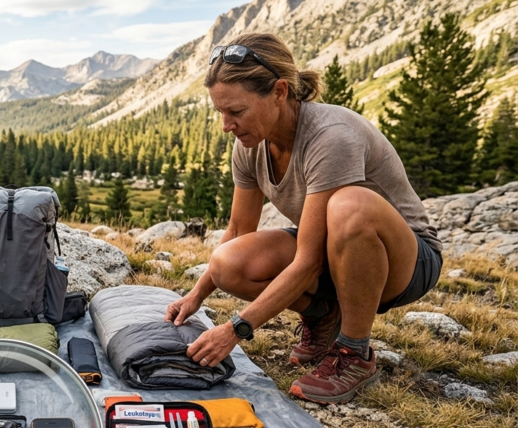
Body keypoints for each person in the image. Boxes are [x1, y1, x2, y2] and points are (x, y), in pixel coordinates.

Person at [165, 33, 442, 404]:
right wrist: (196, 295)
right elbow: (237, 231)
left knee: (350, 205)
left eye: (236, 111)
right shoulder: (250, 144)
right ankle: (323, 315)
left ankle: (354, 353)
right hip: (333, 252)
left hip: (404, 262)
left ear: (280, 92)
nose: (226, 125)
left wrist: (236, 329)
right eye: (220, 112)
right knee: (228, 262)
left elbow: (309, 261)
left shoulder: (332, 137)